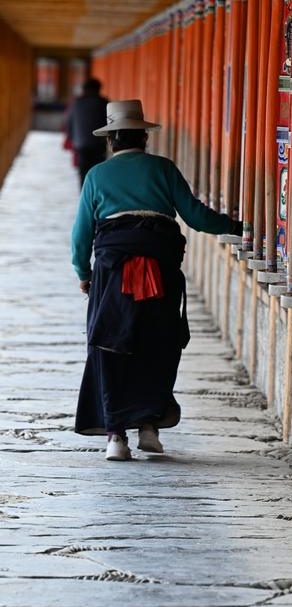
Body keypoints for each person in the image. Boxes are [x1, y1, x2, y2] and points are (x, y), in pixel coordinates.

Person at [71, 99, 242, 461]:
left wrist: (84, 275)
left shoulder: (97, 176)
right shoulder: (163, 169)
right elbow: (196, 217)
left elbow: (81, 236)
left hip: (113, 273)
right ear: (144, 137)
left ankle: (116, 436)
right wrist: (237, 226)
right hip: (161, 270)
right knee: (158, 342)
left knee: (109, 345)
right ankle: (149, 426)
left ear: (111, 140)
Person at [65, 77, 109, 186]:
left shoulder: (76, 103)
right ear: (98, 89)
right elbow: (109, 122)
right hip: (98, 143)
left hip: (80, 143)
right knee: (97, 171)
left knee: (83, 172)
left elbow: (68, 122)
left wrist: (72, 138)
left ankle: (84, 193)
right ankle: (95, 193)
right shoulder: (103, 103)